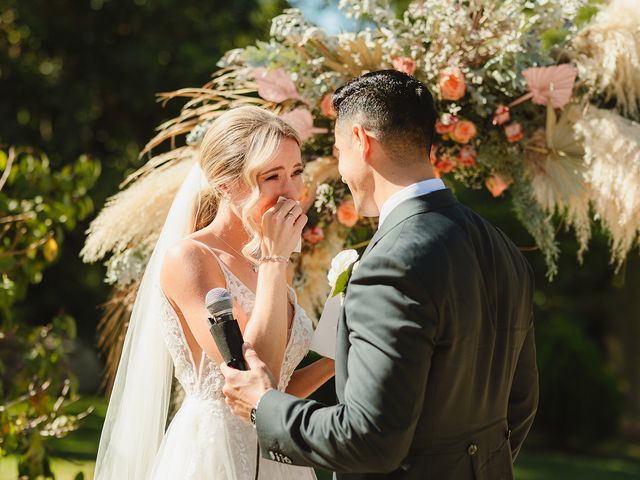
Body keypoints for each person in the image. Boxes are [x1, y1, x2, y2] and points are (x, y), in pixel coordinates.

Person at [221, 70, 539, 480]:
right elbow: (520, 405)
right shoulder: (503, 249)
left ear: (361, 141)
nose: (338, 170)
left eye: (337, 152)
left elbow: (368, 439)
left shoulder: (391, 263)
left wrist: (264, 407)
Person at [94, 105, 334, 479]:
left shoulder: (265, 258)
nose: (292, 191)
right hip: (215, 457)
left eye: (297, 172)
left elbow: (276, 388)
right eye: (272, 176)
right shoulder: (190, 258)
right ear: (225, 184)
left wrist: (342, 352)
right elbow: (257, 369)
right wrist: (275, 257)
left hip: (277, 454)